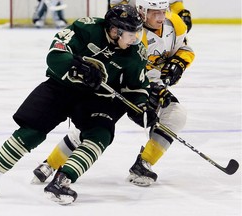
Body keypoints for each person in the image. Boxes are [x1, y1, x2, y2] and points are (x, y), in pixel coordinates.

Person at [0, 5, 158, 204]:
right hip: (62, 87)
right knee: (32, 130)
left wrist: (142, 108)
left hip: (97, 99)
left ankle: (61, 181)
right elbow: (55, 55)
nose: (135, 38)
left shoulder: (136, 53)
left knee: (101, 134)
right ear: (115, 30)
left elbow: (136, 88)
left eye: (138, 32)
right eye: (132, 34)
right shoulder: (86, 28)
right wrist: (76, 66)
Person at [30, 0, 195, 188]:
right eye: (154, 12)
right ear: (142, 11)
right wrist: (155, 86)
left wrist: (179, 63)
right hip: (119, 87)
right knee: (94, 126)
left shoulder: (175, 24)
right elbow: (134, 71)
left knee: (176, 115)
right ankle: (51, 163)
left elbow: (185, 48)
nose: (160, 17)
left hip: (144, 87)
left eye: (163, 11)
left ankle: (143, 164)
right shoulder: (131, 32)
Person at [107, 0, 192, 32]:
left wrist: (181, 12)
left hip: (157, 20)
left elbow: (174, 2)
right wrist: (129, 16)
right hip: (136, 24)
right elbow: (117, 6)